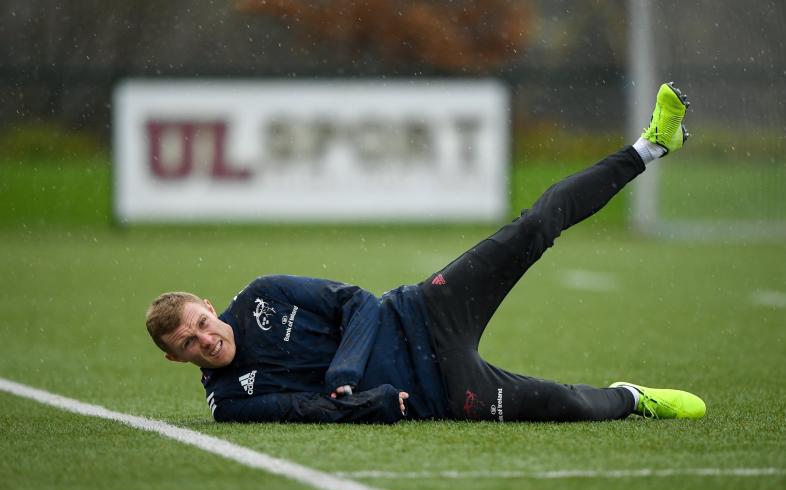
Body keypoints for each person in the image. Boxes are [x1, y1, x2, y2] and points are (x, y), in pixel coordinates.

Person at [146, 83, 706, 424]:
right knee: (568, 406)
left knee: (535, 225)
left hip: (425, 310)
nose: (205, 338)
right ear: (177, 360)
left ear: (208, 305)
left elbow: (358, 304)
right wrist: (386, 403)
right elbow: (313, 411)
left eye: (200, 322)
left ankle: (652, 144)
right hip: (442, 391)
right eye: (188, 343)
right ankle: (633, 398)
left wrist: (344, 371)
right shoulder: (228, 401)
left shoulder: (265, 293)